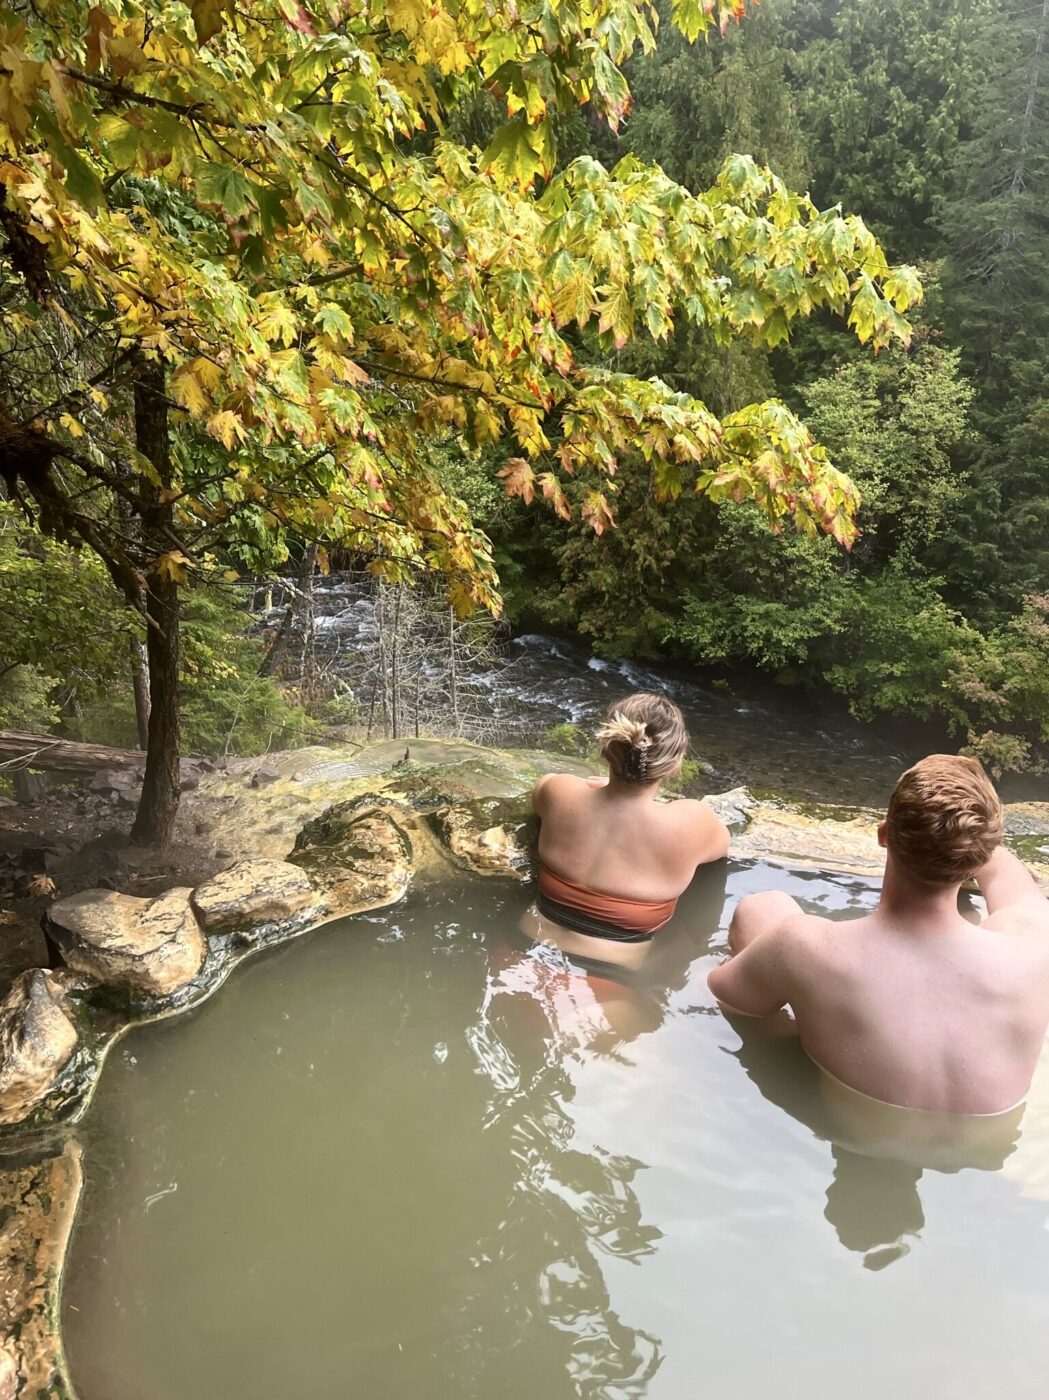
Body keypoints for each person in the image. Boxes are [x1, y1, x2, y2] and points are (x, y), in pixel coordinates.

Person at [708, 754, 1049, 1115]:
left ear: (884, 834)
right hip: (983, 1153)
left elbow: (725, 997)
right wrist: (962, 840)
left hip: (850, 1124)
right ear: (980, 852)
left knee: (763, 908)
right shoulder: (1034, 945)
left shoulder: (807, 947)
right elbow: (1010, 878)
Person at [524, 692, 730, 975]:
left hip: (522, 949)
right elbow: (722, 844)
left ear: (605, 749)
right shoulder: (692, 822)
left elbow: (540, 792)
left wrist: (589, 789)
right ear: (673, 765)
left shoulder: (559, 791)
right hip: (608, 976)